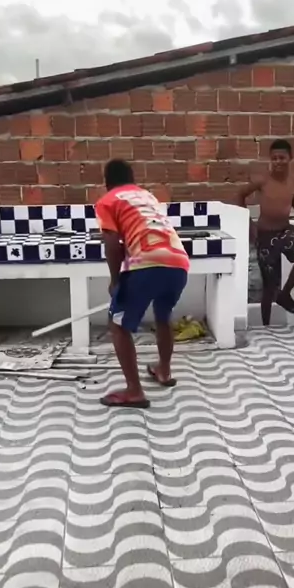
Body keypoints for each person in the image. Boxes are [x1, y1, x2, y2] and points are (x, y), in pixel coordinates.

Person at [95, 159, 189, 408]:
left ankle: (134, 391)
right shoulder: (147, 197)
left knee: (118, 325)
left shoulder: (107, 200)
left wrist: (115, 280)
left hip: (146, 264)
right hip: (178, 262)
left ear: (107, 182)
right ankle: (164, 371)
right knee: (163, 315)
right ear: (132, 179)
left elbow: (111, 243)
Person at [237, 139, 294, 326]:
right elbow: (239, 195)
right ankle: (266, 327)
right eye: (274, 158)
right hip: (265, 236)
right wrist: (249, 224)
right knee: (269, 287)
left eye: (282, 157)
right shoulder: (262, 180)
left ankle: (285, 294)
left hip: (285, 232)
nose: (278, 161)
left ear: (290, 158)